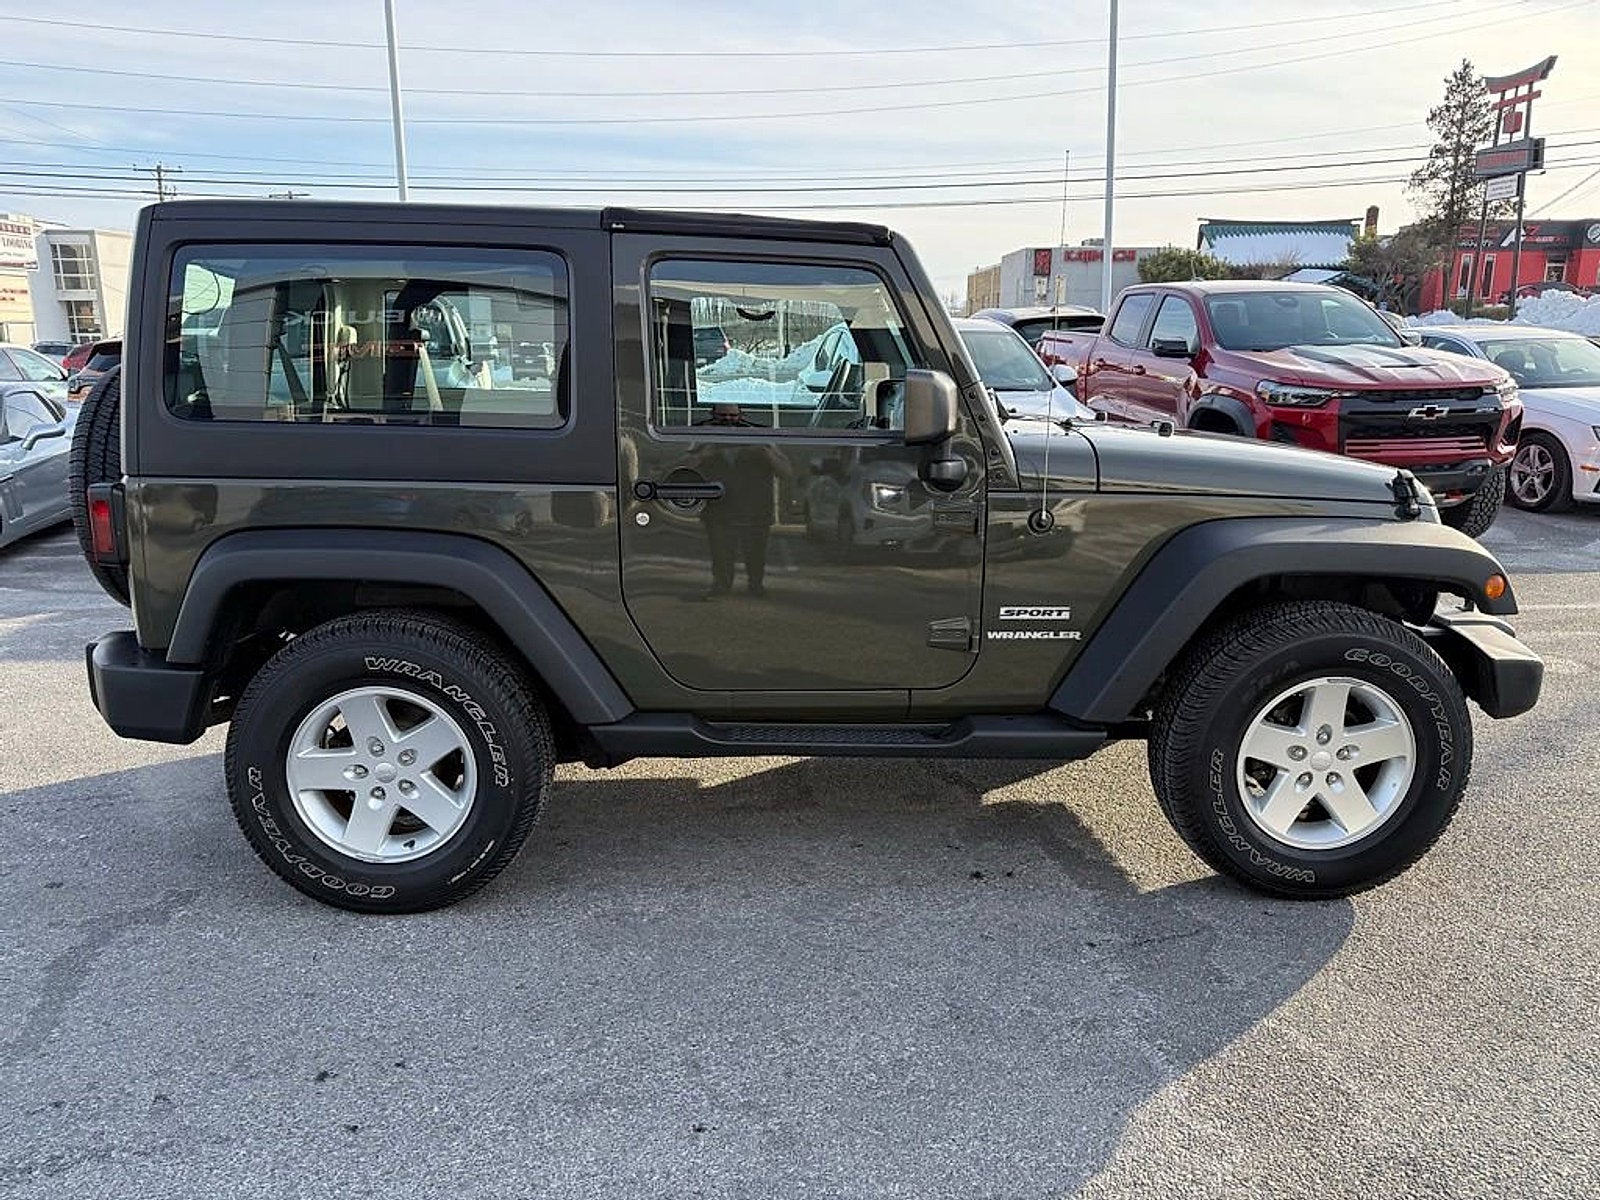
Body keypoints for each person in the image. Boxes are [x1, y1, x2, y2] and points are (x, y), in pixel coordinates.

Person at [693, 403, 791, 597]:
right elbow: (685, 466)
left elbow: (786, 472)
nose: (728, 421)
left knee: (755, 552)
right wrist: (706, 454)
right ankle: (721, 586)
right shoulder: (703, 438)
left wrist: (765, 452)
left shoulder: (760, 438)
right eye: (722, 416)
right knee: (721, 553)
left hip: (755, 509)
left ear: (742, 416)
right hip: (718, 510)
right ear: (712, 416)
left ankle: (756, 585)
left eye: (733, 416)